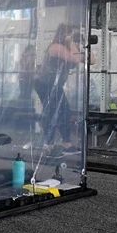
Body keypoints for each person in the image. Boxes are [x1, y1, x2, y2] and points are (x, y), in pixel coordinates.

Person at [33, 23, 83, 155]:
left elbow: (91, 60)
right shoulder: (56, 47)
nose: (72, 37)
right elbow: (76, 59)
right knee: (59, 111)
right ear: (64, 35)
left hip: (53, 85)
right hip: (46, 84)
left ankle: (55, 143)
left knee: (60, 111)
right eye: (70, 34)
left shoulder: (67, 48)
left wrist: (79, 45)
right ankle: (57, 143)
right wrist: (72, 43)